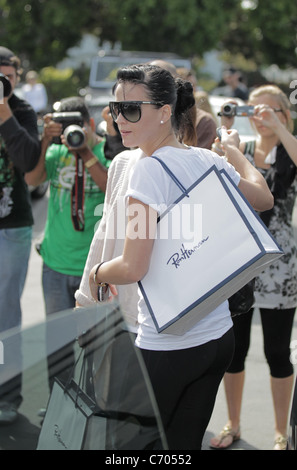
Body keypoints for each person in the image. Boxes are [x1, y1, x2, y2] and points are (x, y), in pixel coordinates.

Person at [85, 64, 273, 449]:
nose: (120, 118)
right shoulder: (207, 160)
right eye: (115, 108)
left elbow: (133, 265)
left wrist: (97, 274)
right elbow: (263, 197)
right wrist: (235, 153)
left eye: (132, 109)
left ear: (165, 111)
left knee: (129, 451)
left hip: (168, 342)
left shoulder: (147, 171)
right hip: (218, 335)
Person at [210, 84, 297, 450]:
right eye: (255, 110)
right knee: (235, 348)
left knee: (277, 351)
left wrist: (279, 128)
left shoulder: (287, 148)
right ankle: (232, 423)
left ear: (283, 113)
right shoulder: (238, 148)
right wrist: (224, 135)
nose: (261, 116)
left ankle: (281, 432)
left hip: (281, 264)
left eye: (270, 109)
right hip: (241, 257)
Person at [25, 96, 111, 391]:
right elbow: (32, 179)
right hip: (55, 264)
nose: (69, 131)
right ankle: (58, 402)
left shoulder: (105, 151)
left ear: (89, 124)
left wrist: (85, 152)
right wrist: (46, 142)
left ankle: (89, 400)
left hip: (92, 268)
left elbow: (110, 187)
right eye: (62, 125)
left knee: (93, 340)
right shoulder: (56, 152)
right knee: (57, 341)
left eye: (75, 124)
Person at [0, 46, 40, 423]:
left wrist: (4, 112)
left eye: (8, 77)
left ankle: (7, 396)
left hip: (11, 227)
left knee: (5, 314)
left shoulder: (24, 111)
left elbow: (29, 162)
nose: (3, 82)